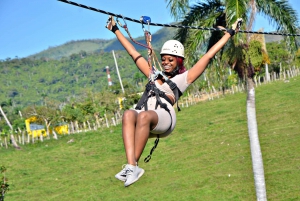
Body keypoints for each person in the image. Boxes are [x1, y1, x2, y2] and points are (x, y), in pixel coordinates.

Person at [105, 16, 242, 187]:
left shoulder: (184, 78)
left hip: (164, 117)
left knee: (144, 117)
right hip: (146, 114)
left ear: (178, 61)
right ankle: (130, 165)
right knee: (128, 114)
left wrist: (230, 33)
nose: (166, 63)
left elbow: (208, 55)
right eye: (164, 59)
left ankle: (134, 167)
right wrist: (115, 29)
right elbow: (133, 53)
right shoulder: (153, 74)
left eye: (171, 60)